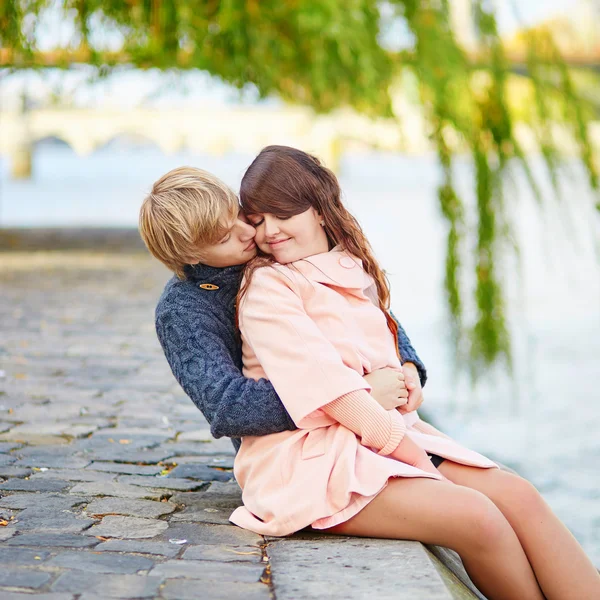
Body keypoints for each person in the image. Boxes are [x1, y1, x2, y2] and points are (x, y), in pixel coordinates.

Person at [229, 145, 600, 600]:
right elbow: (336, 394)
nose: (269, 232)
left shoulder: (350, 268)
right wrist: (424, 468)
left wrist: (406, 374)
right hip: (311, 461)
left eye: (281, 214)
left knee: (520, 496)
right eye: (258, 219)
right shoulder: (268, 287)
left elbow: (384, 358)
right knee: (477, 517)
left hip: (376, 438)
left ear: (320, 210)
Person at [139, 166, 428, 453]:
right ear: (190, 255)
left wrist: (408, 363)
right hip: (292, 446)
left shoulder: (271, 247)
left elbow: (358, 304)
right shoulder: (182, 311)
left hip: (375, 415)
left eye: (239, 214)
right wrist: (356, 395)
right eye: (223, 237)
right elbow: (228, 407)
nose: (249, 231)